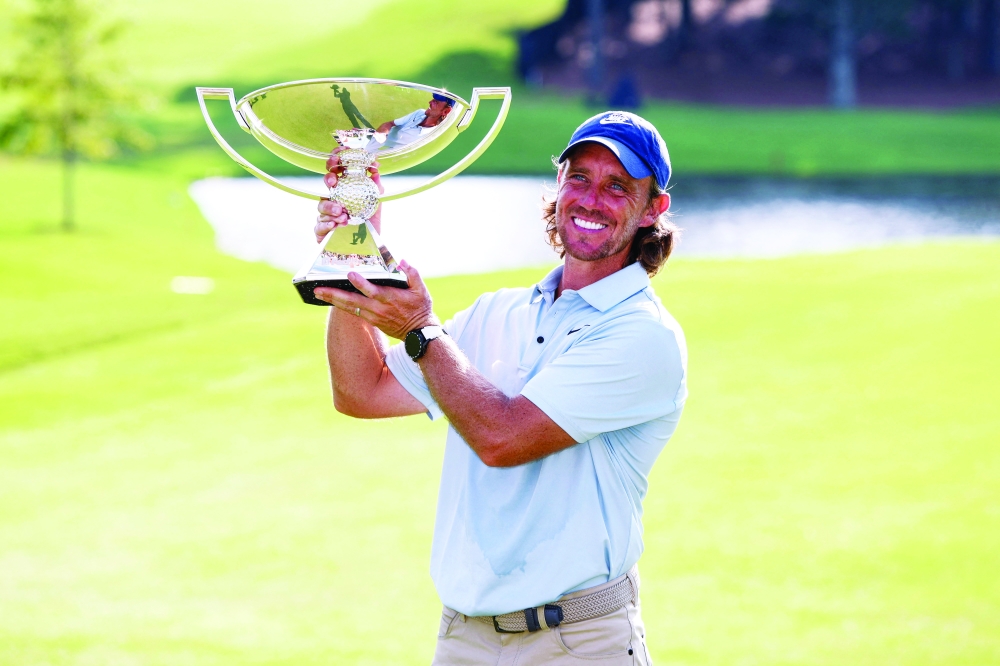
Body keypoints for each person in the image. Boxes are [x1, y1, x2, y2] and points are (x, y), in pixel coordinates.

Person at [312, 111, 687, 665]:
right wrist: (353, 257)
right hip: (464, 639)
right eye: (579, 178)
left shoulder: (643, 336)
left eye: (617, 187)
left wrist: (420, 330)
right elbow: (361, 391)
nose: (590, 199)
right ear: (558, 186)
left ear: (653, 209)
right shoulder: (498, 311)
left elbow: (502, 438)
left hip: (579, 643)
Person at [376, 93, 455, 149]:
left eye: (436, 102)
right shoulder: (419, 113)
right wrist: (381, 134)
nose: (429, 102)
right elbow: (390, 123)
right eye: (433, 99)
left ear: (445, 111)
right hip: (371, 146)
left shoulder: (431, 137)